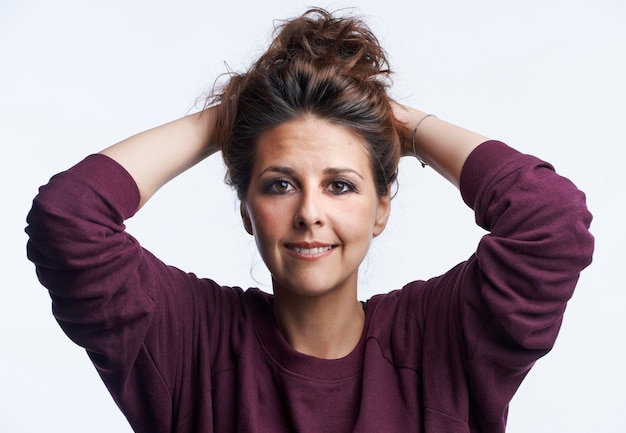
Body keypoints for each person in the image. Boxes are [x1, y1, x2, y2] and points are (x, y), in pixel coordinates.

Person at [26, 8, 593, 433]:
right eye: (279, 185)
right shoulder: (190, 346)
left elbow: (551, 222)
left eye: (340, 185)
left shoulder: (442, 343)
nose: (309, 214)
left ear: (382, 208)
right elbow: (69, 217)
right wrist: (230, 118)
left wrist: (402, 123)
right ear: (247, 210)